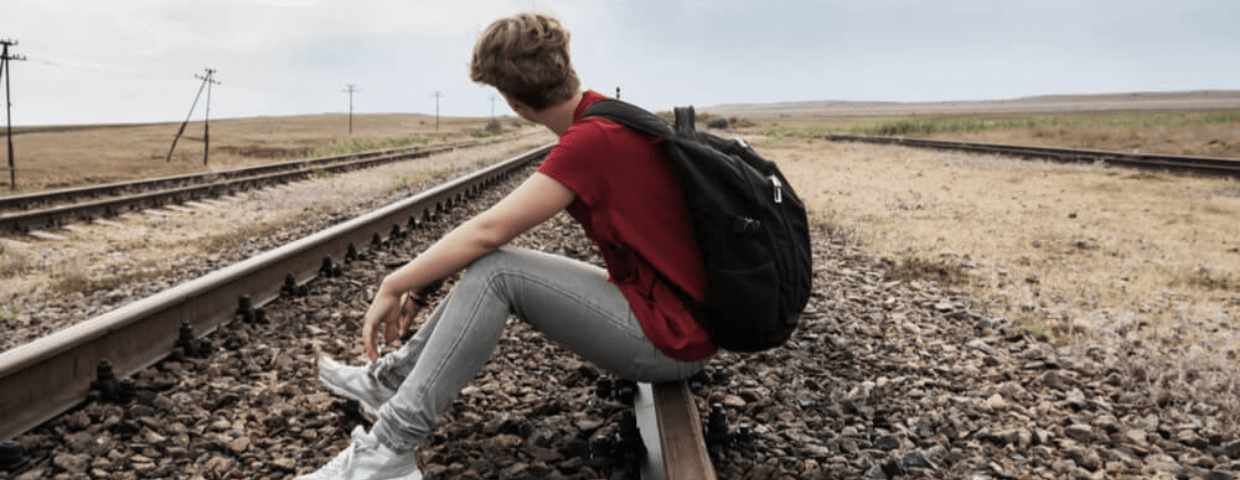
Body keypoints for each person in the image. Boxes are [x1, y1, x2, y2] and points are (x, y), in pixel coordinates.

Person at [297, 12, 716, 480]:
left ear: (514, 103)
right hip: (670, 314)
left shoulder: (589, 143)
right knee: (496, 267)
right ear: (565, 64)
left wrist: (395, 282)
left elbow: (487, 232)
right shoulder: (601, 117)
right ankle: (391, 381)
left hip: (673, 340)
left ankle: (388, 450)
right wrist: (415, 287)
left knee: (497, 272)